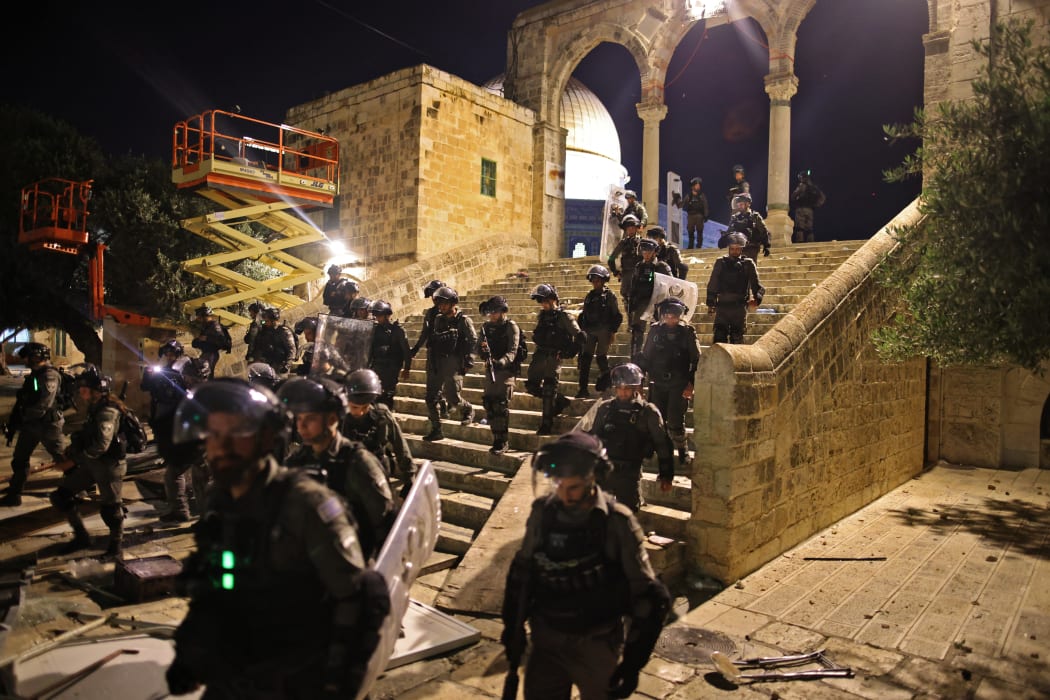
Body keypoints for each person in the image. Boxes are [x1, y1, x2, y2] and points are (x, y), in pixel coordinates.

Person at [165, 379, 390, 699]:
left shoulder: (306, 503)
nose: (222, 446)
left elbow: (358, 597)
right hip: (242, 660)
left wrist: (336, 682)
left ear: (266, 437)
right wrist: (191, 651)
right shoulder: (221, 501)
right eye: (214, 435)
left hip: (295, 670)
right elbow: (219, 586)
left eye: (237, 433)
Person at [500, 431, 671, 700]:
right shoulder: (543, 513)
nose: (564, 496)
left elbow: (649, 596)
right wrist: (513, 626)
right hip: (547, 640)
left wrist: (633, 662)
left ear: (593, 479)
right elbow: (522, 573)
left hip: (596, 644)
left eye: (574, 488)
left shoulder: (616, 523)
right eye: (558, 485)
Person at [279, 377, 395, 562]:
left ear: (332, 419)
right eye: (299, 418)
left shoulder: (358, 463)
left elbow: (384, 523)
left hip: (349, 561)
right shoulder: (300, 458)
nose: (301, 426)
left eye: (310, 419)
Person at [49, 366, 127, 556]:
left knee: (112, 510)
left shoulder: (107, 411)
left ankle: (115, 546)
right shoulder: (96, 407)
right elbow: (88, 436)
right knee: (61, 496)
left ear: (97, 390)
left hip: (108, 466)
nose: (81, 394)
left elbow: (101, 445)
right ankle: (82, 537)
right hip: (92, 464)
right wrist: (72, 449)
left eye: (84, 390)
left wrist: (73, 462)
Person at [585, 363, 674, 512]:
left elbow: (662, 443)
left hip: (629, 473)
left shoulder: (648, 412)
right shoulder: (605, 408)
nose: (623, 392)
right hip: (604, 470)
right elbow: (594, 437)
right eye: (619, 388)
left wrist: (666, 474)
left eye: (627, 388)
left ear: (635, 388)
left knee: (626, 518)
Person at [1, 343, 68, 507]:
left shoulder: (49, 376)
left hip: (48, 425)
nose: (25, 360)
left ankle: (78, 488)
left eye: (27, 357)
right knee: (19, 460)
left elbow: (43, 404)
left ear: (37, 357)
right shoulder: (35, 374)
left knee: (62, 459)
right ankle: (15, 493)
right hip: (31, 425)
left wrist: (25, 417)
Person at [638, 299, 701, 465]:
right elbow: (645, 357)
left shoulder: (687, 332)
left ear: (680, 316)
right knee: (655, 418)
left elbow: (697, 361)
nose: (670, 318)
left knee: (674, 420)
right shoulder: (655, 331)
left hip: (678, 384)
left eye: (674, 315)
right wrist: (639, 382)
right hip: (657, 383)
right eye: (667, 314)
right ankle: (657, 448)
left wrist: (691, 384)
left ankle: (682, 450)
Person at [141, 339, 195, 522]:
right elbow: (146, 386)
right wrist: (149, 374)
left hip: (181, 417)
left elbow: (190, 388)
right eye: (167, 353)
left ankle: (183, 510)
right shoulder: (161, 368)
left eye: (172, 353)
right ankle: (181, 509)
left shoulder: (186, 367)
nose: (169, 356)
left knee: (181, 471)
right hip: (165, 413)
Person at [340, 369, 416, 497]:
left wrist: (409, 476)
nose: (360, 412)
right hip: (349, 474)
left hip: (378, 471)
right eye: (354, 407)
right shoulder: (340, 418)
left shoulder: (381, 415)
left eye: (364, 407)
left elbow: (399, 444)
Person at [526, 284, 584, 436]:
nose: (543, 305)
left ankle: (546, 424)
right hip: (540, 356)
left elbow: (580, 337)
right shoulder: (543, 316)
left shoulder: (564, 316)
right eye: (541, 302)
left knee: (549, 389)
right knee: (532, 386)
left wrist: (568, 353)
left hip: (554, 356)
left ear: (553, 300)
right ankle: (560, 401)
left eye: (545, 301)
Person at [422, 286, 477, 441]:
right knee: (431, 397)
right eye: (439, 303)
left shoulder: (463, 320)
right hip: (437, 362)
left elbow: (474, 341)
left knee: (451, 395)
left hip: (454, 362)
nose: (441, 306)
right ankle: (436, 429)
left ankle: (467, 409)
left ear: (453, 302)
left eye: (444, 303)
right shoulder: (439, 319)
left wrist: (469, 360)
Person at [476, 295, 521, 454]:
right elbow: (477, 348)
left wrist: (501, 362)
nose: (492, 315)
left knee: (500, 406)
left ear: (503, 311)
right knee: (489, 405)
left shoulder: (511, 326)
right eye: (491, 312)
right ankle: (496, 439)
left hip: (506, 370)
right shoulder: (486, 327)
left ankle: (504, 441)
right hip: (491, 371)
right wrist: (483, 351)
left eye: (495, 312)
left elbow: (513, 350)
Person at [706, 232, 766, 344]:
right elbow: (713, 283)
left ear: (741, 249)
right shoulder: (720, 262)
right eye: (732, 249)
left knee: (737, 338)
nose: (734, 251)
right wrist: (711, 303)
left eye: (737, 249)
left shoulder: (748, 264)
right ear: (729, 249)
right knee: (719, 338)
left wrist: (757, 299)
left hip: (739, 307)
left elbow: (756, 284)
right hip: (722, 306)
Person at [576, 265, 623, 398]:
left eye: (597, 280)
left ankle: (607, 387)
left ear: (603, 281)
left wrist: (613, 332)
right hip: (589, 331)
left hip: (604, 330)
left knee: (601, 358)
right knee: (585, 359)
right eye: (593, 280)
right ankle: (582, 389)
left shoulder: (609, 296)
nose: (595, 283)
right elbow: (584, 315)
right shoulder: (589, 296)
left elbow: (617, 315)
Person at [409, 279, 450, 419]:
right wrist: (415, 349)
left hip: (446, 354)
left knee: (441, 383)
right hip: (433, 352)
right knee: (432, 385)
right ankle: (438, 410)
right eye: (433, 295)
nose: (434, 299)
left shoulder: (450, 312)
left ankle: (442, 407)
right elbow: (425, 333)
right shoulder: (430, 313)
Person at [627, 238, 673, 361]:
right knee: (637, 333)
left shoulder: (662, 266)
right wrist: (631, 306)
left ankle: (654, 359)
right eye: (644, 252)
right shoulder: (639, 266)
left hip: (657, 305)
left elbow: (672, 285)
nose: (646, 254)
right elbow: (634, 287)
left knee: (657, 333)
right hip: (642, 303)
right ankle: (635, 360)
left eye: (649, 252)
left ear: (655, 252)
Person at [368, 300, 411, 410]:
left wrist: (407, 368)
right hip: (377, 366)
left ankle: (387, 416)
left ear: (387, 315)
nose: (377, 317)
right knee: (375, 393)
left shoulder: (397, 330)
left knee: (387, 395)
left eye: (379, 315)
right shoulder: (375, 329)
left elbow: (406, 350)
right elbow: (370, 349)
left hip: (391, 368)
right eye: (376, 315)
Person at [607, 214, 643, 311]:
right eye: (628, 228)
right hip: (626, 274)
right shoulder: (623, 243)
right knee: (627, 300)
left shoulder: (642, 242)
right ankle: (630, 324)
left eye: (632, 227)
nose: (630, 230)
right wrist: (616, 272)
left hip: (639, 275)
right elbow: (611, 259)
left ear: (636, 228)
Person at [723, 192, 771, 263]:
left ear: (748, 204)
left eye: (741, 204)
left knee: (749, 269)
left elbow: (763, 231)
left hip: (752, 247)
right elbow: (729, 231)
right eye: (738, 205)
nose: (739, 206)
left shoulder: (755, 217)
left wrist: (766, 245)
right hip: (738, 249)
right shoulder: (735, 217)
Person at [253, 307, 297, 376]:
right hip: (268, 364)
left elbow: (291, 349)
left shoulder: (283, 331)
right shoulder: (266, 330)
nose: (265, 323)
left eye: (267, 321)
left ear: (273, 320)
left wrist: (287, 365)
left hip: (280, 365)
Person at [190, 305, 227, 379]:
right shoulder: (206, 327)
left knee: (205, 374)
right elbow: (200, 341)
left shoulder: (214, 326)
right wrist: (197, 342)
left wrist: (207, 339)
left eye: (199, 317)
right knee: (204, 373)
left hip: (211, 354)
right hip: (207, 353)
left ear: (204, 316)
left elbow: (222, 341)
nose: (198, 320)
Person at [791, 169, 826, 243]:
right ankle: (811, 242)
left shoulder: (802, 185)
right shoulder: (814, 187)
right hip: (810, 210)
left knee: (799, 227)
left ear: (802, 177)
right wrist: (816, 204)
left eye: (800, 177)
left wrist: (796, 199)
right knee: (809, 228)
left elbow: (794, 195)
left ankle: (799, 243)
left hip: (801, 208)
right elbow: (822, 197)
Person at [681, 176, 709, 249]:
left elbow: (705, 205)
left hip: (699, 216)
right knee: (690, 231)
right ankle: (690, 246)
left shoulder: (702, 196)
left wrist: (706, 215)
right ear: (693, 186)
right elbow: (681, 204)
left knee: (699, 232)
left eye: (699, 185)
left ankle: (699, 246)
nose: (698, 187)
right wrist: (676, 199)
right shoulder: (689, 196)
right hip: (691, 216)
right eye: (696, 185)